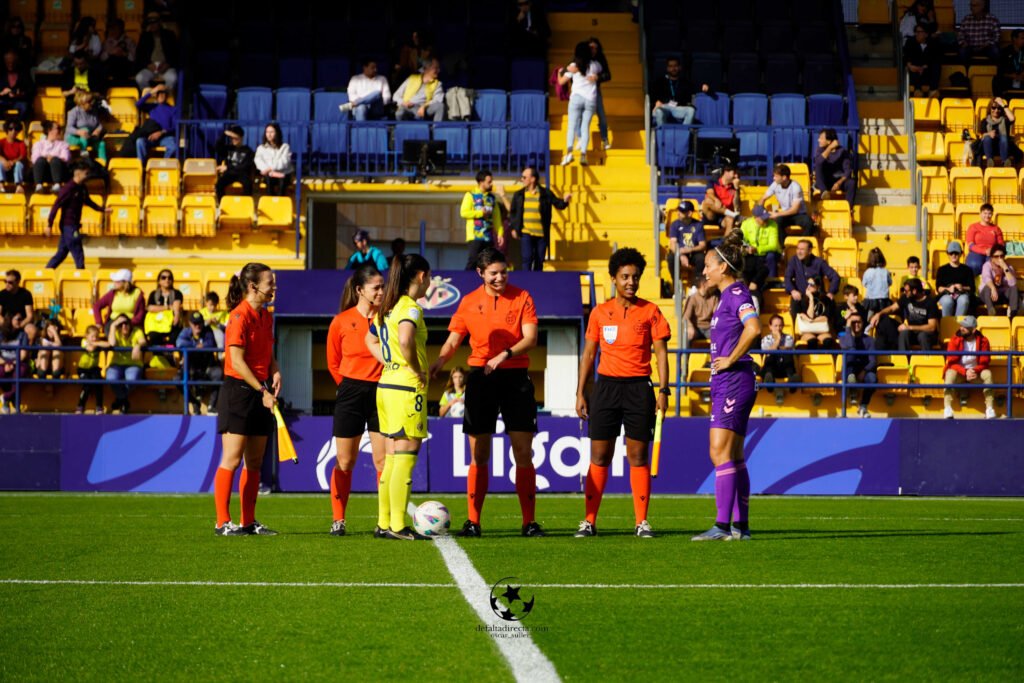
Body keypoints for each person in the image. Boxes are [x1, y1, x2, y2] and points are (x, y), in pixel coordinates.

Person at [429, 248, 542, 538]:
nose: (500, 277)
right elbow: (454, 339)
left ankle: (529, 522)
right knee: (479, 453)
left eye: (503, 271)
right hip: (480, 377)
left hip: (515, 376)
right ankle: (473, 522)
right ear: (481, 273)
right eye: (494, 272)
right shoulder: (468, 302)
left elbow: (530, 338)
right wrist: (439, 362)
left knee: (523, 453)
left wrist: (504, 354)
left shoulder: (523, 297)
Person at [574, 248, 670, 538]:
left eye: (635, 277)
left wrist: (664, 389)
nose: (631, 282)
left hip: (640, 388)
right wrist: (581, 392)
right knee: (600, 455)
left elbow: (661, 354)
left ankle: (641, 522)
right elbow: (589, 355)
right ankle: (589, 521)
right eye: (625, 276)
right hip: (606, 388)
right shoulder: (600, 312)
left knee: (638, 456)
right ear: (613, 278)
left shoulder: (651, 311)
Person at [692, 229, 760, 542]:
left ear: (723, 267)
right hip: (727, 381)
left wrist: (731, 359)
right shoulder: (724, 300)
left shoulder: (736, 295)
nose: (704, 271)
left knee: (718, 452)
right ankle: (740, 527)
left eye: (708, 265)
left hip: (734, 379)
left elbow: (754, 328)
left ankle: (721, 527)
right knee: (733, 456)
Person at [365, 254, 433, 541]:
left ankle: (384, 522)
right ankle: (397, 526)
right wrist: (415, 369)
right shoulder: (410, 308)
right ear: (420, 276)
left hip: (387, 386)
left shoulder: (385, 308)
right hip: (406, 389)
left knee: (392, 458)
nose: (430, 281)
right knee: (404, 459)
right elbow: (405, 339)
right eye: (429, 276)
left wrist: (388, 361)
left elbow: (370, 338)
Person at [213, 263, 281, 536]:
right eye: (270, 283)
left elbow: (268, 353)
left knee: (255, 461)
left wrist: (275, 371)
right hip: (239, 393)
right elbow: (237, 362)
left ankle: (247, 522)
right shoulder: (239, 317)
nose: (274, 287)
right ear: (253, 286)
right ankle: (222, 522)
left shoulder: (266, 316)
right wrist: (263, 391)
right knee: (231, 459)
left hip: (260, 391)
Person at [325, 265, 387, 537]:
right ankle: (338, 520)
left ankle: (384, 520)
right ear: (360, 290)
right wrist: (348, 387)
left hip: (382, 392)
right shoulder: (340, 321)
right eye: (377, 288)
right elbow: (333, 363)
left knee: (383, 461)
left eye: (383, 287)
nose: (382, 292)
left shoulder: (389, 319)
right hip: (350, 392)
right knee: (345, 461)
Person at [508, 165, 571, 271]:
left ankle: (537, 283)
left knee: (539, 260)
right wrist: (514, 228)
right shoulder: (519, 194)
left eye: (524, 177)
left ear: (532, 179)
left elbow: (558, 204)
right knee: (527, 258)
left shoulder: (545, 193)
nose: (522, 179)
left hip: (541, 233)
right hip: (526, 232)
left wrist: (565, 201)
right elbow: (513, 212)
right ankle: (525, 281)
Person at [45, 160, 104, 269]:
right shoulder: (68, 188)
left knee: (61, 253)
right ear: (78, 173)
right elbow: (56, 205)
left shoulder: (82, 188)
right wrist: (49, 224)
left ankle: (47, 271)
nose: (88, 176)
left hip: (74, 225)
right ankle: (81, 275)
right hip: (69, 226)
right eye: (86, 173)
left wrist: (102, 209)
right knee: (78, 251)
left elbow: (88, 201)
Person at [558, 41, 603, 166]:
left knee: (571, 126)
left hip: (576, 98)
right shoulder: (596, 65)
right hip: (590, 99)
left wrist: (559, 72)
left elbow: (561, 82)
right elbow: (600, 71)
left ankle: (569, 153)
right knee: (585, 127)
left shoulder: (573, 66)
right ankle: (583, 154)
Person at [943, 316, 996, 419]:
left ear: (974, 330)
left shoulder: (983, 341)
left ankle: (989, 409)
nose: (961, 328)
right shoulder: (954, 339)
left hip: (975, 373)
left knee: (988, 374)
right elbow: (951, 361)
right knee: (949, 373)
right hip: (959, 372)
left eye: (965, 327)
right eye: (961, 325)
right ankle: (947, 408)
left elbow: (985, 362)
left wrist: (973, 370)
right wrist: (964, 371)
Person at [873, 278, 939, 354]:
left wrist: (909, 327)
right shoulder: (906, 298)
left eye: (907, 291)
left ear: (914, 291)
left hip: (927, 333)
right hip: (912, 333)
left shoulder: (930, 302)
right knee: (903, 332)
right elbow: (892, 308)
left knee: (922, 335)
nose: (904, 292)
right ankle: (903, 360)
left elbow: (932, 327)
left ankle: (926, 361)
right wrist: (879, 314)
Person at [784, 239, 840, 326]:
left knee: (829, 303)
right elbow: (787, 278)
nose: (799, 252)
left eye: (802, 249)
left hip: (817, 298)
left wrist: (831, 292)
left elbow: (835, 276)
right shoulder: (793, 260)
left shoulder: (819, 262)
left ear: (809, 250)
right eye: (798, 249)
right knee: (795, 305)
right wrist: (792, 290)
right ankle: (798, 331)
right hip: (801, 297)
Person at [177, 312, 222, 415]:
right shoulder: (185, 332)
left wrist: (191, 347)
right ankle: (194, 402)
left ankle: (211, 406)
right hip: (191, 368)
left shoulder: (208, 331)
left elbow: (210, 344)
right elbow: (179, 343)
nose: (197, 326)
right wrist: (196, 345)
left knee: (218, 373)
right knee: (177, 380)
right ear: (189, 323)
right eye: (194, 323)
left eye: (200, 323)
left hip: (206, 367)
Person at [461, 170, 505, 269]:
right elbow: (464, 212)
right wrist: (481, 213)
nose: (491, 184)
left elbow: (497, 217)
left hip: (488, 237)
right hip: (475, 236)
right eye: (489, 182)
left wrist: (500, 233)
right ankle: (465, 281)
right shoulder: (470, 195)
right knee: (473, 260)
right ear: (481, 182)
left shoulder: (492, 198)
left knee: (488, 263)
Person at [760, 164, 815, 240]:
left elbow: (794, 210)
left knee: (809, 223)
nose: (773, 178)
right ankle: (784, 247)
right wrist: (761, 211)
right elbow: (763, 198)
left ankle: (802, 244)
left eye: (776, 176)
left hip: (799, 214)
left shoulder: (796, 187)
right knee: (778, 221)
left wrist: (777, 214)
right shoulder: (775, 185)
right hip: (785, 214)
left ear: (784, 177)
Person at [105, 314, 145, 415]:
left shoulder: (137, 331)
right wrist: (113, 326)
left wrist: (138, 345)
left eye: (126, 323)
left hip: (133, 363)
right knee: (110, 378)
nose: (124, 326)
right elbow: (112, 343)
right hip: (116, 363)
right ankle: (124, 400)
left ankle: (120, 398)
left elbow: (143, 341)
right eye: (121, 324)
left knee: (132, 379)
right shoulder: (115, 332)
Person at [840, 314, 878, 418]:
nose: (856, 324)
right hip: (849, 370)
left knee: (872, 378)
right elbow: (850, 346)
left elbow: (873, 361)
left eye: (859, 322)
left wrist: (864, 371)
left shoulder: (870, 340)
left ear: (863, 323)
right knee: (851, 354)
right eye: (853, 322)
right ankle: (851, 391)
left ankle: (863, 406)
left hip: (863, 369)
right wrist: (848, 327)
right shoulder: (844, 338)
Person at [651, 57, 707, 126]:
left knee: (691, 110)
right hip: (664, 106)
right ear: (667, 68)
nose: (673, 68)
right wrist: (656, 102)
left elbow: (697, 88)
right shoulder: (660, 81)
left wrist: (705, 88)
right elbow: (653, 95)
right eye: (671, 66)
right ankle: (662, 134)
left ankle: (684, 133)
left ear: (679, 67)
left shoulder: (685, 82)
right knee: (659, 111)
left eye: (675, 66)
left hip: (679, 108)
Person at [740, 205, 781, 296]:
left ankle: (772, 280)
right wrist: (747, 248)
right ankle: (748, 282)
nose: (766, 220)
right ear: (755, 218)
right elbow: (742, 240)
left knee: (771, 256)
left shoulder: (773, 225)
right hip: (752, 253)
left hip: (766, 252)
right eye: (763, 219)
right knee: (745, 257)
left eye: (766, 217)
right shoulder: (746, 224)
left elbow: (773, 245)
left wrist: (757, 249)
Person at [666, 200, 708, 287]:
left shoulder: (698, 225)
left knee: (701, 258)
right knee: (671, 258)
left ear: (689, 213)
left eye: (682, 212)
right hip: (679, 252)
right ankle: (676, 285)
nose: (678, 213)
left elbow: (702, 245)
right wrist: (680, 255)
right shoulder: (675, 225)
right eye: (678, 211)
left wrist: (690, 249)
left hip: (693, 253)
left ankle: (696, 286)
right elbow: (673, 244)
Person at [135, 12, 179, 93]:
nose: (152, 25)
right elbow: (139, 56)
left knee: (172, 78)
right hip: (151, 67)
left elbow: (176, 54)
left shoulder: (169, 35)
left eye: (154, 22)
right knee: (140, 78)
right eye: (150, 22)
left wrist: (168, 64)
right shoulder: (145, 36)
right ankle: (150, 97)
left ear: (160, 22)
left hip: (165, 66)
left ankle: (165, 99)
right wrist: (147, 65)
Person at [134, 84, 178, 161]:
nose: (161, 95)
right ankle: (142, 167)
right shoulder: (152, 107)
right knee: (140, 142)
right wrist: (151, 92)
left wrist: (161, 132)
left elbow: (175, 127)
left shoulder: (173, 109)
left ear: (167, 95)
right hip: (151, 136)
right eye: (159, 93)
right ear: (156, 95)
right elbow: (138, 104)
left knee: (173, 147)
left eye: (163, 93)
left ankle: (165, 165)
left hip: (165, 136)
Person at [759, 314, 798, 396]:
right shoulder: (765, 339)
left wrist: (775, 347)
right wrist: (778, 339)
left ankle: (792, 382)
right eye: (775, 326)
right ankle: (769, 382)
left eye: (780, 326)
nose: (778, 328)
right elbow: (767, 351)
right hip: (773, 369)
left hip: (785, 368)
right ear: (770, 326)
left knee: (787, 355)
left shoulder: (789, 338)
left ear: (783, 326)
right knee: (771, 356)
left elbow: (788, 349)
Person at [813, 128, 854, 205]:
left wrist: (839, 182)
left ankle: (849, 208)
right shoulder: (820, 150)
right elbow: (818, 162)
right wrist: (830, 148)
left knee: (851, 183)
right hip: (824, 182)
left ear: (829, 141)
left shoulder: (842, 151)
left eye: (821, 138)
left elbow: (848, 171)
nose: (818, 140)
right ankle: (824, 192)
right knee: (818, 165)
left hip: (838, 181)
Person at [214, 125, 255, 201]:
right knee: (219, 184)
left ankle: (246, 205)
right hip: (230, 174)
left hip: (242, 174)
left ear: (241, 138)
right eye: (232, 138)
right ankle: (222, 204)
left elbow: (245, 166)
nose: (233, 140)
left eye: (236, 138)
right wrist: (224, 134)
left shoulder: (248, 151)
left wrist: (227, 167)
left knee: (248, 185)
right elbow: (217, 147)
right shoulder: (229, 148)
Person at [75, 324, 109, 414]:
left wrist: (96, 342)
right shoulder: (84, 341)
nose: (94, 338)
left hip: (94, 369)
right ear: (86, 336)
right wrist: (96, 344)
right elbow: (90, 348)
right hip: (83, 369)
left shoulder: (97, 343)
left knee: (99, 384)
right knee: (87, 385)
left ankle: (99, 407)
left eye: (96, 336)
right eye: (92, 336)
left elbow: (108, 344)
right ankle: (80, 406)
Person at [935, 240, 975, 317]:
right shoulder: (942, 269)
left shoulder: (967, 270)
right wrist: (949, 289)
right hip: (946, 294)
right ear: (948, 254)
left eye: (956, 253)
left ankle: (957, 324)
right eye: (951, 253)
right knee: (947, 301)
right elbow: (938, 288)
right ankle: (947, 323)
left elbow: (972, 287)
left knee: (964, 300)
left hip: (962, 294)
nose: (954, 255)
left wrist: (962, 287)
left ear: (960, 254)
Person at [145, 269, 184, 346]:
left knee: (175, 335)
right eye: (163, 277)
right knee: (153, 336)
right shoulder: (153, 294)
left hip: (171, 324)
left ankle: (171, 354)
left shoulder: (177, 293)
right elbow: (150, 308)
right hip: (157, 324)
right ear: (159, 281)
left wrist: (176, 315)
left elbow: (176, 306)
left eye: (169, 278)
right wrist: (168, 307)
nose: (167, 279)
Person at [976, 98, 1018, 168]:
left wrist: (1003, 105)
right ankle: (990, 161)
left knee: (1004, 137)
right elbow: (981, 135)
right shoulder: (985, 121)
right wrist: (989, 134)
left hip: (1003, 147)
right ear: (990, 108)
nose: (996, 110)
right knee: (987, 138)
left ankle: (1005, 162)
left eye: (998, 108)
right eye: (993, 108)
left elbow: (1012, 118)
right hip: (989, 147)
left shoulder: (1004, 120)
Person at [65, 91, 107, 161]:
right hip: (73, 138)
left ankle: (103, 165)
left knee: (101, 144)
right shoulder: (74, 112)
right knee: (85, 130)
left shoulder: (93, 111)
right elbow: (69, 128)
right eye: (89, 101)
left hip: (89, 137)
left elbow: (99, 125)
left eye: (92, 101)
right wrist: (79, 132)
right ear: (82, 103)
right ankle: (83, 154)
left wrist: (98, 130)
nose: (92, 103)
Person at [254, 122, 293, 197]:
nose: (269, 134)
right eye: (267, 132)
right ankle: (271, 203)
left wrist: (270, 169)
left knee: (282, 181)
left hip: (283, 173)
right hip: (268, 174)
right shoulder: (261, 148)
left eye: (271, 132)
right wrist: (269, 172)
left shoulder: (285, 147)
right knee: (268, 180)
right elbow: (258, 160)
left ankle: (280, 203)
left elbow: (284, 162)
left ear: (277, 133)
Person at [965, 204, 1005, 276]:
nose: (987, 216)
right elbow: (970, 245)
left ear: (992, 214)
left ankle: (992, 286)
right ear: (980, 214)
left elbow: (1001, 244)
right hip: (976, 252)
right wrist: (984, 251)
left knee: (993, 268)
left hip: (992, 253)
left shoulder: (996, 228)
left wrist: (993, 251)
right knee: (973, 265)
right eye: (985, 213)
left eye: (989, 213)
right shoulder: (973, 227)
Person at [980, 244, 1019, 317]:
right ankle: (991, 311)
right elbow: (986, 277)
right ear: (992, 257)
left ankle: (1013, 314)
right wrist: (993, 288)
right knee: (988, 287)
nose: (999, 258)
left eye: (1002, 256)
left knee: (1014, 288)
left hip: (1002, 294)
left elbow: (1013, 283)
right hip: (987, 294)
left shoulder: (1008, 267)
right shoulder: (987, 265)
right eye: (996, 256)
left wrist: (1005, 267)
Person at [31, 121, 71, 192]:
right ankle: (38, 185)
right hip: (43, 171)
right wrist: (47, 158)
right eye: (57, 128)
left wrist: (52, 158)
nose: (60, 131)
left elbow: (65, 158)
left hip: (59, 171)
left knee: (55, 160)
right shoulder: (39, 144)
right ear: (49, 130)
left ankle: (57, 184)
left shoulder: (63, 144)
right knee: (40, 160)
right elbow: (34, 159)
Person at [796, 277, 835, 349]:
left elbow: (825, 318)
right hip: (807, 330)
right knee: (812, 341)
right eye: (807, 284)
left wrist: (811, 321)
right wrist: (811, 298)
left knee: (828, 341)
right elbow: (809, 316)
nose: (808, 286)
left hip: (822, 330)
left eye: (811, 284)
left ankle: (825, 358)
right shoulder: (802, 299)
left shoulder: (825, 299)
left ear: (818, 286)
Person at [904, 23, 942, 95]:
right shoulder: (910, 42)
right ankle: (917, 90)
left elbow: (935, 58)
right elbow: (907, 57)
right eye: (916, 32)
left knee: (936, 66)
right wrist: (910, 66)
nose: (917, 34)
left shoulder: (933, 43)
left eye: (919, 32)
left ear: (926, 34)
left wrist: (923, 67)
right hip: (914, 71)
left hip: (927, 71)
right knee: (912, 69)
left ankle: (933, 90)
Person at [0, 317, 28, 413]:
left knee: (20, 371)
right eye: (18, 319)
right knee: (1, 371)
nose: (20, 321)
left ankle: (6, 397)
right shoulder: (1, 334)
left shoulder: (23, 334)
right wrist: (6, 364)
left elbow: (23, 355)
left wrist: (12, 364)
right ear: (10, 320)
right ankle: (13, 402)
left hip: (18, 363)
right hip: (3, 363)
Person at [702, 164, 741, 232]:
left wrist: (737, 189)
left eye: (737, 174)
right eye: (734, 173)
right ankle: (732, 214)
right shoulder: (713, 182)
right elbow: (709, 193)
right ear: (726, 172)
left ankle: (726, 242)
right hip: (711, 215)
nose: (736, 176)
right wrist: (716, 199)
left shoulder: (734, 188)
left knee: (730, 220)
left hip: (724, 217)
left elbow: (736, 206)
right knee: (708, 201)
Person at [589, 37, 611, 150]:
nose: (593, 50)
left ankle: (605, 138)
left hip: (595, 89)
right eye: (591, 47)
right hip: (581, 91)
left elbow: (608, 75)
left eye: (596, 48)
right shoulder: (580, 58)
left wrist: (598, 77)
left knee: (602, 115)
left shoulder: (600, 59)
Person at [682, 274, 718, 343]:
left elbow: (717, 315)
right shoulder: (692, 298)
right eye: (708, 281)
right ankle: (684, 354)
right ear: (703, 284)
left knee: (721, 334)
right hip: (696, 328)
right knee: (687, 334)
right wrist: (690, 327)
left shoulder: (714, 298)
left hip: (709, 328)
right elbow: (685, 317)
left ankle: (720, 354)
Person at [100, 18, 137, 85]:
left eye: (116, 29)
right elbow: (102, 58)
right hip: (111, 67)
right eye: (111, 29)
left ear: (121, 29)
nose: (113, 31)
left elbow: (133, 58)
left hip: (125, 67)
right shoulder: (106, 42)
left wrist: (124, 54)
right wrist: (110, 53)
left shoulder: (129, 41)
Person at [0, 49, 34, 120]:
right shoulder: (1, 74)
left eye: (13, 62)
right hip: (3, 101)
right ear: (4, 62)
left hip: (19, 101)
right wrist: (2, 93)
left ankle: (18, 127)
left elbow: (32, 90)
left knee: (25, 108)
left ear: (17, 62)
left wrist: (21, 93)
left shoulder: (24, 74)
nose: (11, 65)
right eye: (8, 62)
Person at [862, 247, 893, 315]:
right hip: (884, 301)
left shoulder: (867, 272)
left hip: (871, 301)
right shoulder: (886, 271)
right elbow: (890, 283)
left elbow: (864, 283)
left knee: (869, 318)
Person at [993, 29, 1024, 98]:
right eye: (1022, 38)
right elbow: (1000, 71)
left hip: (1022, 80)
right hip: (1009, 80)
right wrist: (1011, 75)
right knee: (996, 80)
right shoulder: (1005, 52)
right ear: (1014, 39)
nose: (1023, 40)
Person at [0, 119, 26, 191]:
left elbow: (22, 156)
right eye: (10, 129)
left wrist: (12, 162)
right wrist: (4, 161)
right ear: (7, 130)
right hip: (4, 167)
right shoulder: (1, 142)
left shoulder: (21, 143)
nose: (13, 131)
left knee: (19, 164)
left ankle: (18, 185)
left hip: (15, 168)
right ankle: (0, 184)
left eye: (16, 129)